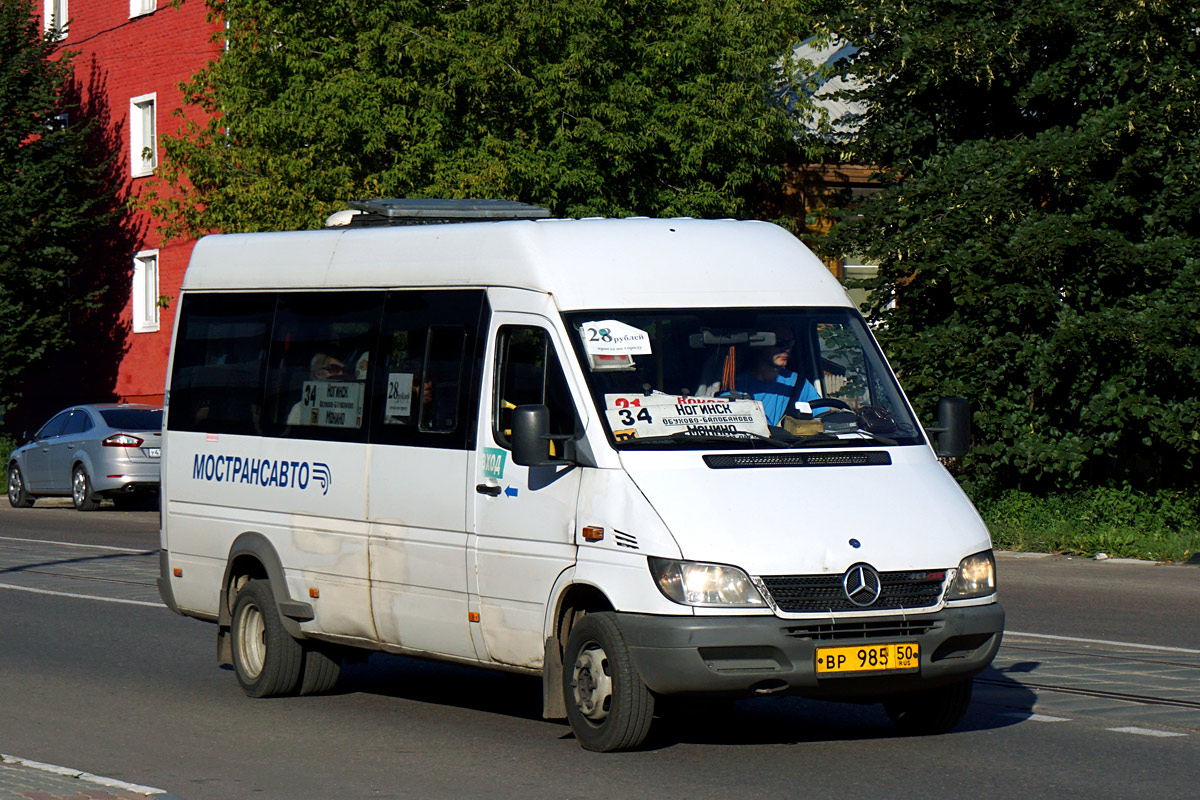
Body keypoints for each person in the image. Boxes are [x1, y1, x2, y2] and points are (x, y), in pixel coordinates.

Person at [731, 328, 821, 425]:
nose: (787, 349)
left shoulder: (798, 383)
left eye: (790, 343)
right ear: (758, 345)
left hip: (790, 440)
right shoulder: (735, 386)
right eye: (779, 342)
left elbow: (823, 417)